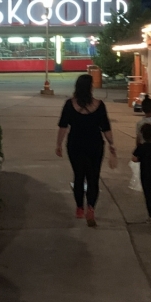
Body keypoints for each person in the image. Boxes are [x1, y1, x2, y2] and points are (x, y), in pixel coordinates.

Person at [55, 74, 115, 227]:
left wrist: (59, 144)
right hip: (95, 145)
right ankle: (91, 208)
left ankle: (79, 208)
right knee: (93, 177)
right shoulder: (99, 105)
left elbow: (63, 126)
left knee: (79, 177)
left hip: (75, 145)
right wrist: (112, 144)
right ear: (90, 88)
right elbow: (106, 128)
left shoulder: (69, 104)